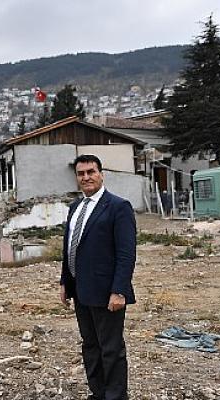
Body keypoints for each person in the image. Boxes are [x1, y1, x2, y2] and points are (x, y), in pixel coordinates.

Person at [59, 154, 136, 400]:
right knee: (90, 346)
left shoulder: (118, 207)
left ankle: (115, 396)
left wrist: (119, 290)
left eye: (91, 172)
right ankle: (98, 393)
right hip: (81, 290)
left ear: (101, 174)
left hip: (107, 292)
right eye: (81, 174)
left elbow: (126, 253)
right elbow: (70, 247)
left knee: (111, 349)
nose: (86, 177)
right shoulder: (75, 207)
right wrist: (64, 281)